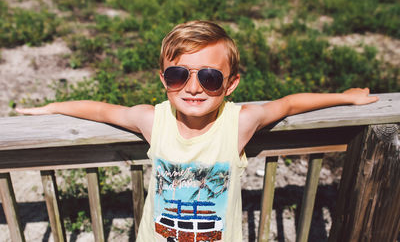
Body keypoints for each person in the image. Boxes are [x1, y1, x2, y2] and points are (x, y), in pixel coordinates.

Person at [16, 20, 378, 241]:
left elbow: (288, 104)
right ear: (164, 79)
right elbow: (101, 109)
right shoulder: (152, 120)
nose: (193, 88)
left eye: (209, 77)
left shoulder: (238, 123)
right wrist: (51, 107)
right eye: (178, 75)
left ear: (231, 83)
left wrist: (344, 98)